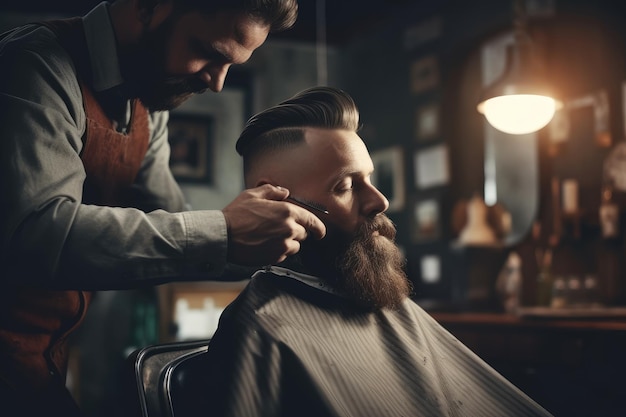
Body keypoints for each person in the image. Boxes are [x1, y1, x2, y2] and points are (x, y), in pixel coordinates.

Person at [0, 0, 327, 415]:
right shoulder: (33, 65)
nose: (218, 82)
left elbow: (174, 216)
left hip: (38, 362)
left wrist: (280, 242)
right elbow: (36, 234)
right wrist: (226, 231)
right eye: (209, 52)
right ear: (150, 6)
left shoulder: (147, 102)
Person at [198, 86, 553, 416]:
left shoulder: (377, 297)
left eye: (370, 179)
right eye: (346, 186)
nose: (379, 201)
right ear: (277, 201)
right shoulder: (261, 328)